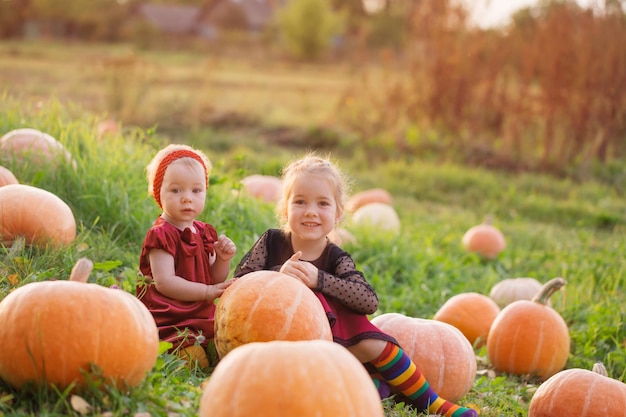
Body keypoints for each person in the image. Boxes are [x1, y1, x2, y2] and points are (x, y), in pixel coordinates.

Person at [234, 153, 478, 417]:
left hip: (330, 338)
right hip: (270, 334)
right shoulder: (271, 242)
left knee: (382, 347)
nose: (311, 211)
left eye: (323, 203)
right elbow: (241, 281)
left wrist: (320, 279)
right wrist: (277, 274)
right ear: (285, 209)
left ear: (338, 214)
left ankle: (435, 404)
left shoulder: (336, 257)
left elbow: (368, 301)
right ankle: (373, 386)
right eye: (300, 201)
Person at [137, 144, 236, 370]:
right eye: (176, 190)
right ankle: (179, 349)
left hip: (201, 315)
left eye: (196, 191)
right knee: (194, 361)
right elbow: (165, 282)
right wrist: (206, 293)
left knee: (224, 349)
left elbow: (213, 279)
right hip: (172, 318)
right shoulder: (161, 235)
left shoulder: (202, 232)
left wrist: (222, 259)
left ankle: (208, 347)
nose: (187, 199)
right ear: (157, 192)